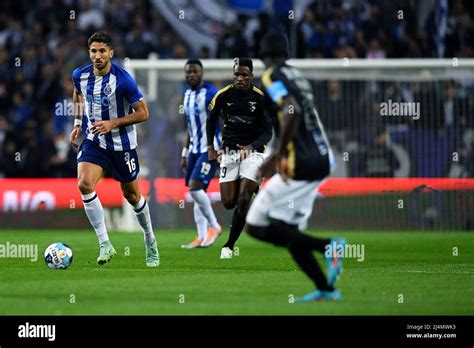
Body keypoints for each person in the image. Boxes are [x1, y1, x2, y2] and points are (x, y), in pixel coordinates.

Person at [245, 32, 346, 301]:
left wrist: (277, 155)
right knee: (290, 233)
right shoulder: (297, 75)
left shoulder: (271, 76)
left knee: (254, 225)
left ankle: (328, 247)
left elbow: (292, 111)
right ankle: (326, 289)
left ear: (263, 55)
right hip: (322, 157)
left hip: (302, 162)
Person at [69, 31, 159, 267]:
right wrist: (78, 124)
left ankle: (150, 239)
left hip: (123, 146)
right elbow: (77, 94)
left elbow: (143, 113)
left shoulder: (123, 80)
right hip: (94, 141)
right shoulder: (80, 75)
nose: (97, 56)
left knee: (132, 195)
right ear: (89, 53)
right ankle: (104, 243)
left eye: (102, 51)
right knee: (84, 184)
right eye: (93, 51)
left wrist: (112, 123)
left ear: (111, 53)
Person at [206, 58, 272, 259]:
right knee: (228, 202)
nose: (240, 78)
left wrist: (251, 146)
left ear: (251, 76)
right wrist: (211, 147)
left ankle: (229, 245)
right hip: (229, 153)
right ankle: (252, 189)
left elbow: (268, 131)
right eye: (237, 75)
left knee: (243, 199)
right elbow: (210, 120)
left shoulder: (260, 98)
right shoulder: (224, 95)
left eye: (244, 75)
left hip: (254, 153)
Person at [180, 58, 223, 248]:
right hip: (194, 151)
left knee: (195, 187)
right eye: (188, 72)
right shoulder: (187, 95)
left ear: (202, 73)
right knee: (197, 192)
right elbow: (190, 126)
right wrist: (184, 151)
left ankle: (215, 227)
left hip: (210, 149)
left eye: (195, 72)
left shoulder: (211, 93)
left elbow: (223, 117)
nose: (191, 75)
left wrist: (220, 147)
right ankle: (201, 236)